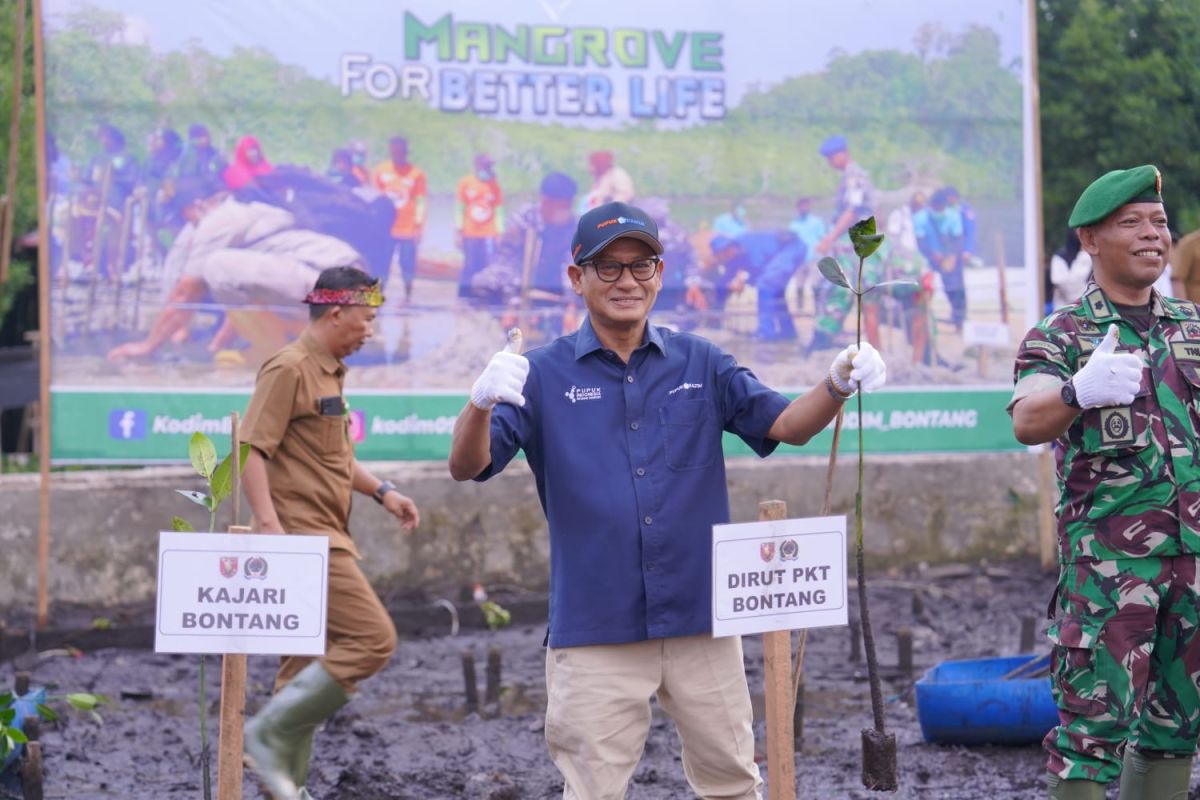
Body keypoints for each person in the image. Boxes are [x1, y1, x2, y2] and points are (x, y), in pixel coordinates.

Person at [448, 201, 888, 800]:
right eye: (607, 267)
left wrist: (837, 383)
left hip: (702, 620)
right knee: (592, 791)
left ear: (660, 272)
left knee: (732, 784)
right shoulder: (540, 374)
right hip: (595, 628)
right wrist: (479, 404)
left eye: (641, 264)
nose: (627, 280)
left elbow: (788, 425)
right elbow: (467, 465)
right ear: (576, 278)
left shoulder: (700, 362)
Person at [1009, 165, 1200, 800]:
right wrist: (1077, 390)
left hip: (1193, 569)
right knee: (1091, 739)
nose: (1153, 235)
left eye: (1160, 222)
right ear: (1091, 240)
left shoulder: (1192, 328)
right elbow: (1028, 419)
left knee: (1177, 729)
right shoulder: (1062, 333)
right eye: (1132, 223)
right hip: (1109, 575)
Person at [239, 265, 420, 800]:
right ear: (336, 312)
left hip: (323, 533)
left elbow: (336, 459)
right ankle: (266, 734)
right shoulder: (289, 368)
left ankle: (286, 788)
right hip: (302, 538)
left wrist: (382, 491)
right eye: (366, 319)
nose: (370, 331)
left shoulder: (329, 374)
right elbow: (250, 448)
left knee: (299, 673)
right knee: (372, 639)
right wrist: (269, 527)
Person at [105, 179, 367, 363]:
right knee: (228, 272)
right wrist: (217, 345)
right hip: (356, 295)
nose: (188, 225)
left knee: (215, 265)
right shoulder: (251, 213)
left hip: (336, 287)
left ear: (198, 205)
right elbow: (249, 294)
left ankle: (279, 353)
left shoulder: (219, 220)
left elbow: (186, 292)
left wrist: (147, 346)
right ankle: (304, 345)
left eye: (186, 217)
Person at [470, 171, 578, 341]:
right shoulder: (523, 219)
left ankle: (544, 322)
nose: (566, 211)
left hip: (554, 283)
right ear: (546, 202)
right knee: (483, 282)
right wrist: (513, 304)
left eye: (568, 206)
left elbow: (571, 265)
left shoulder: (572, 226)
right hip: (517, 281)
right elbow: (507, 263)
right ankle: (498, 328)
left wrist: (570, 307)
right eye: (562, 206)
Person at [810, 134, 876, 353]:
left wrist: (829, 238)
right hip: (855, 240)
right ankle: (824, 334)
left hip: (855, 241)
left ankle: (824, 336)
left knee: (842, 287)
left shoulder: (854, 177)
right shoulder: (850, 176)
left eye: (831, 157)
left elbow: (852, 211)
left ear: (843, 153)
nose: (830, 162)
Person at [708, 230, 806, 341]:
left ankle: (766, 332)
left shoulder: (748, 246)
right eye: (720, 256)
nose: (723, 258)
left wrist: (743, 282)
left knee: (765, 284)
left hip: (792, 248)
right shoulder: (734, 253)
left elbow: (758, 270)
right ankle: (788, 331)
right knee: (776, 292)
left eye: (723, 253)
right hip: (784, 250)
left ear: (728, 248)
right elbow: (726, 278)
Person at [372, 135, 427, 301]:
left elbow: (420, 201)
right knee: (382, 262)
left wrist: (418, 225)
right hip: (385, 227)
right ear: (390, 150)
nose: (398, 154)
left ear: (406, 151)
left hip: (407, 228)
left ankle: (408, 295)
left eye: (401, 151)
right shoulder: (380, 171)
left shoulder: (417, 174)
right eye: (394, 150)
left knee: (407, 263)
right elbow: (373, 198)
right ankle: (377, 295)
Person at [456, 153, 504, 300]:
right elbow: (460, 208)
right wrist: (459, 230)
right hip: (470, 231)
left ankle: (480, 295)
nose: (487, 168)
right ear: (477, 165)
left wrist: (499, 232)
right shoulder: (466, 183)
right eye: (484, 165)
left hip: (488, 233)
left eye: (489, 166)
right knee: (469, 264)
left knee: (486, 264)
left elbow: (499, 210)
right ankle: (464, 295)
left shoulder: (494, 185)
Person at [1048, 229, 1093, 309]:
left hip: (1088, 309)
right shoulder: (1060, 257)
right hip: (1064, 311)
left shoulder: (1091, 256)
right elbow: (1064, 286)